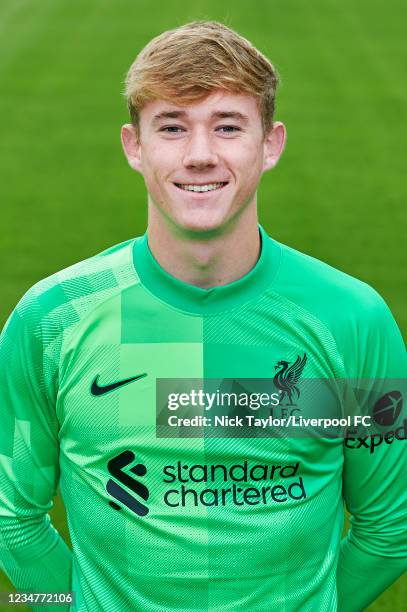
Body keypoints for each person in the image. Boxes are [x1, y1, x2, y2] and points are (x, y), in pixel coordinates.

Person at [0, 20, 406, 612]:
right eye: (171, 127)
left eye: (227, 126)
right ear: (133, 146)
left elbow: (391, 530)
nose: (199, 154)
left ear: (271, 143)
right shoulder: (52, 319)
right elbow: (11, 517)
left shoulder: (352, 319)